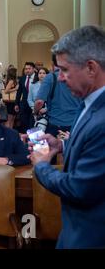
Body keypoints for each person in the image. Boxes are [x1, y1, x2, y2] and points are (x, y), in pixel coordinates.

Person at [29, 25, 105, 248]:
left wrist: (42, 166)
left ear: (91, 68)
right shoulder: (89, 102)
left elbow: (78, 188)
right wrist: (61, 144)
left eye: (64, 70)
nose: (59, 78)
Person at [34, 54, 81, 137]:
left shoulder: (50, 77)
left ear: (53, 64)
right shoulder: (79, 77)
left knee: (54, 148)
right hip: (76, 123)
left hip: (55, 123)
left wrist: (36, 112)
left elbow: (39, 102)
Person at [15, 62, 36, 132]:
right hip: (24, 104)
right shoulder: (23, 78)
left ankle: (32, 140)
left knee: (33, 123)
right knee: (24, 123)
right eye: (26, 69)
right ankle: (25, 139)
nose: (27, 70)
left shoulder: (37, 78)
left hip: (34, 104)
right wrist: (16, 103)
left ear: (33, 69)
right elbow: (19, 92)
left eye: (29, 69)